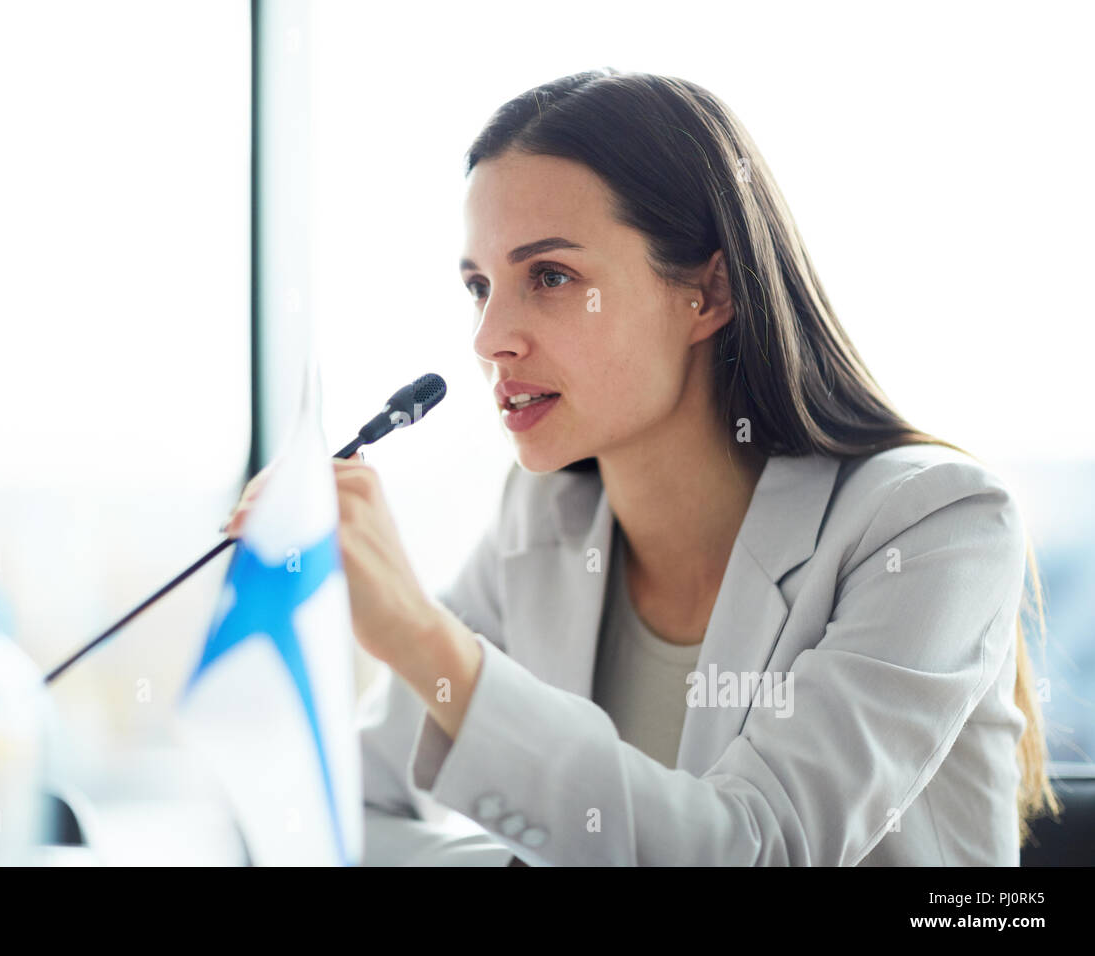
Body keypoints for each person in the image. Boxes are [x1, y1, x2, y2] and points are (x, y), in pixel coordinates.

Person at [224, 69, 1058, 865]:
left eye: (550, 277)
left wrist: (419, 636)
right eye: (480, 286)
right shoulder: (545, 517)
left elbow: (757, 850)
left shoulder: (937, 525)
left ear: (709, 294)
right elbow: (347, 815)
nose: (489, 339)